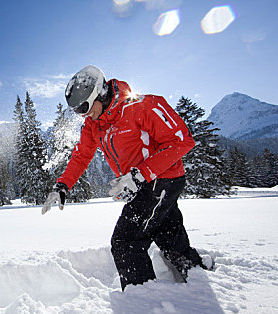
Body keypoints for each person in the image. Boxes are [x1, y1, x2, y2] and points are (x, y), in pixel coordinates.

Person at [42, 65, 211, 290]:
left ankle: (143, 300)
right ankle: (195, 272)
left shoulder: (144, 106)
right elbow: (82, 156)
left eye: (84, 107)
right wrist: (63, 185)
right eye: (77, 111)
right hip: (139, 184)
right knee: (167, 233)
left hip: (161, 180)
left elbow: (181, 141)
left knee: (126, 242)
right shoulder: (95, 124)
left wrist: (139, 175)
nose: (84, 115)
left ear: (100, 93)